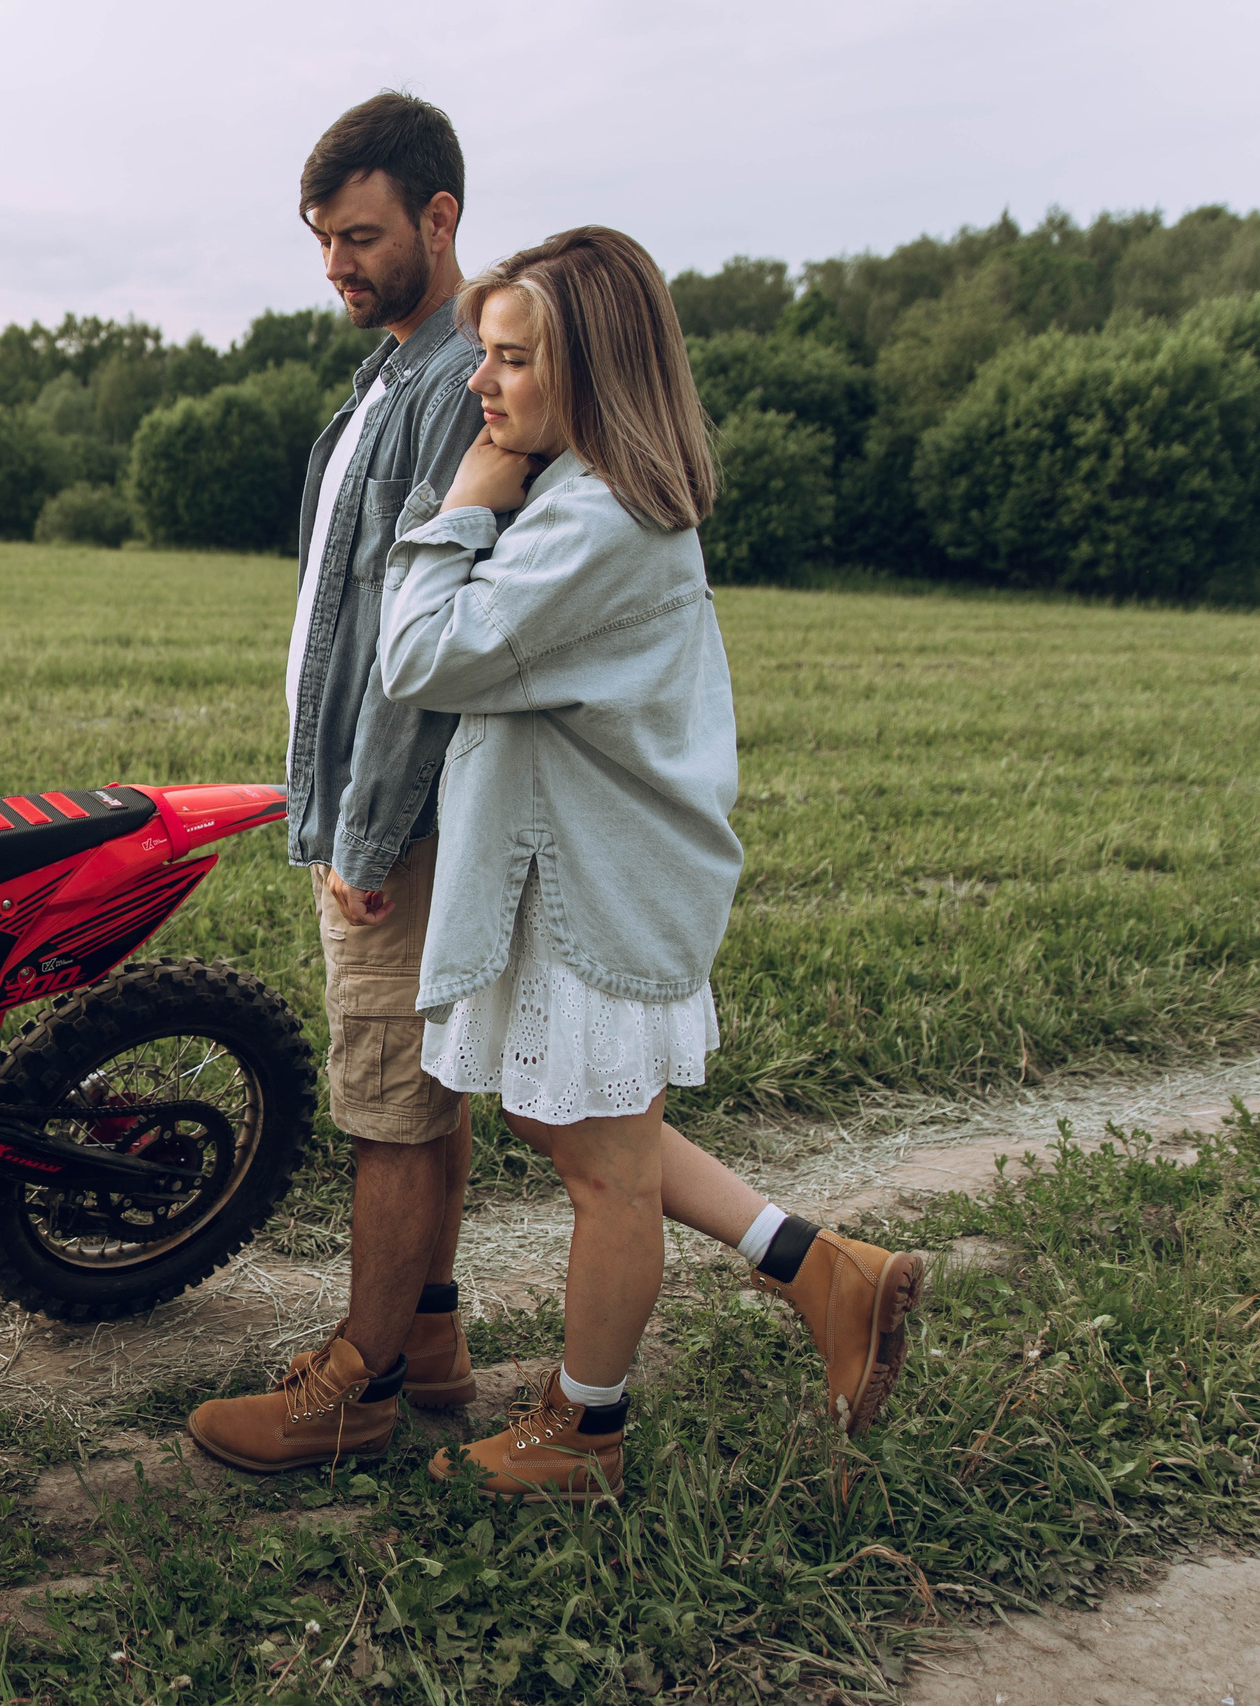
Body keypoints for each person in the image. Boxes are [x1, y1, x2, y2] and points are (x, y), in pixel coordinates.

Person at [376, 227, 925, 1502]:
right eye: (484, 355)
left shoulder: (602, 517)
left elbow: (423, 658)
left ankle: (587, 1429)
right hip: (567, 868)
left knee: (604, 1167)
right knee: (555, 1110)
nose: (482, 383)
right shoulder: (579, 493)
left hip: (595, 883)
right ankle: (811, 1263)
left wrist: (461, 503)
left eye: (511, 358)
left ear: (595, 368)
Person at [187, 91, 494, 1475]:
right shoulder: (386, 376)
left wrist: (366, 831)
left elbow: (418, 640)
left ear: (440, 216)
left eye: (361, 235)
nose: (337, 266)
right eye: (322, 241)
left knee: (388, 1099)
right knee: (421, 1080)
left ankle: (357, 1383)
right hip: (366, 801)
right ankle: (426, 1335)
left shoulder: (454, 383)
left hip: (401, 814)